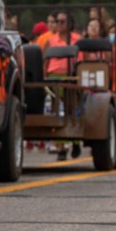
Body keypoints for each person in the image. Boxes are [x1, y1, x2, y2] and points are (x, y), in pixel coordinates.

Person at [42, 11, 81, 160]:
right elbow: (44, 62)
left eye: (62, 21)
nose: (59, 24)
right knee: (57, 110)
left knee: (72, 109)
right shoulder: (50, 40)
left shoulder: (77, 39)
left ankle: (75, 140)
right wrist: (44, 78)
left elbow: (83, 59)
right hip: (54, 78)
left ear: (70, 24)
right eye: (57, 21)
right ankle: (61, 146)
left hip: (71, 77)